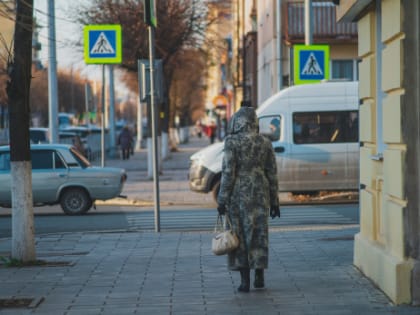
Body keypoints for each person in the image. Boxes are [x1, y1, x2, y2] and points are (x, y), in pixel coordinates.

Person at [217, 106, 280, 293]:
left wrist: (222, 199)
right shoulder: (265, 142)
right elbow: (272, 173)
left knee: (240, 235)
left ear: (238, 122)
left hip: (239, 196)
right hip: (261, 194)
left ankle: (245, 281)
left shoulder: (232, 142)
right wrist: (275, 200)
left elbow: (228, 173)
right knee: (259, 234)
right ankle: (259, 274)